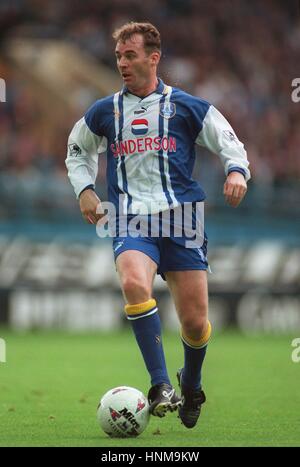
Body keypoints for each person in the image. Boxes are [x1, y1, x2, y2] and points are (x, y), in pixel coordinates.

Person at [65, 22, 250, 429]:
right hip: (130, 218)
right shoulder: (105, 111)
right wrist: (84, 190)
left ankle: (193, 384)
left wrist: (237, 170)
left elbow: (228, 141)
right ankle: (161, 384)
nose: (122, 64)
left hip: (183, 220)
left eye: (130, 55)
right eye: (118, 57)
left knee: (196, 323)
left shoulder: (187, 107)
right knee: (133, 283)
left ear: (154, 57)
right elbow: (77, 148)